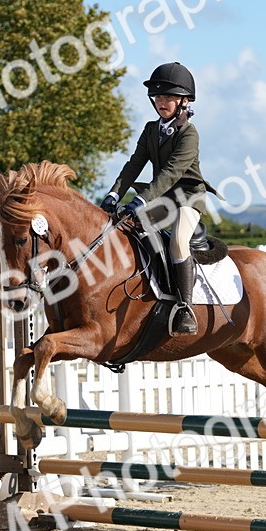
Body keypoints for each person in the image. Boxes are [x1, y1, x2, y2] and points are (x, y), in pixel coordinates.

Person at [99, 62, 219, 336]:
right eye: (158, 97)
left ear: (184, 101)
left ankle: (185, 308)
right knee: (124, 229)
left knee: (178, 241)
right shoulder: (151, 129)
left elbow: (171, 173)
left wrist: (142, 199)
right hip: (161, 198)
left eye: (169, 97)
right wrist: (114, 194)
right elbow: (134, 164)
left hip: (187, 199)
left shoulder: (189, 133)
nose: (162, 102)